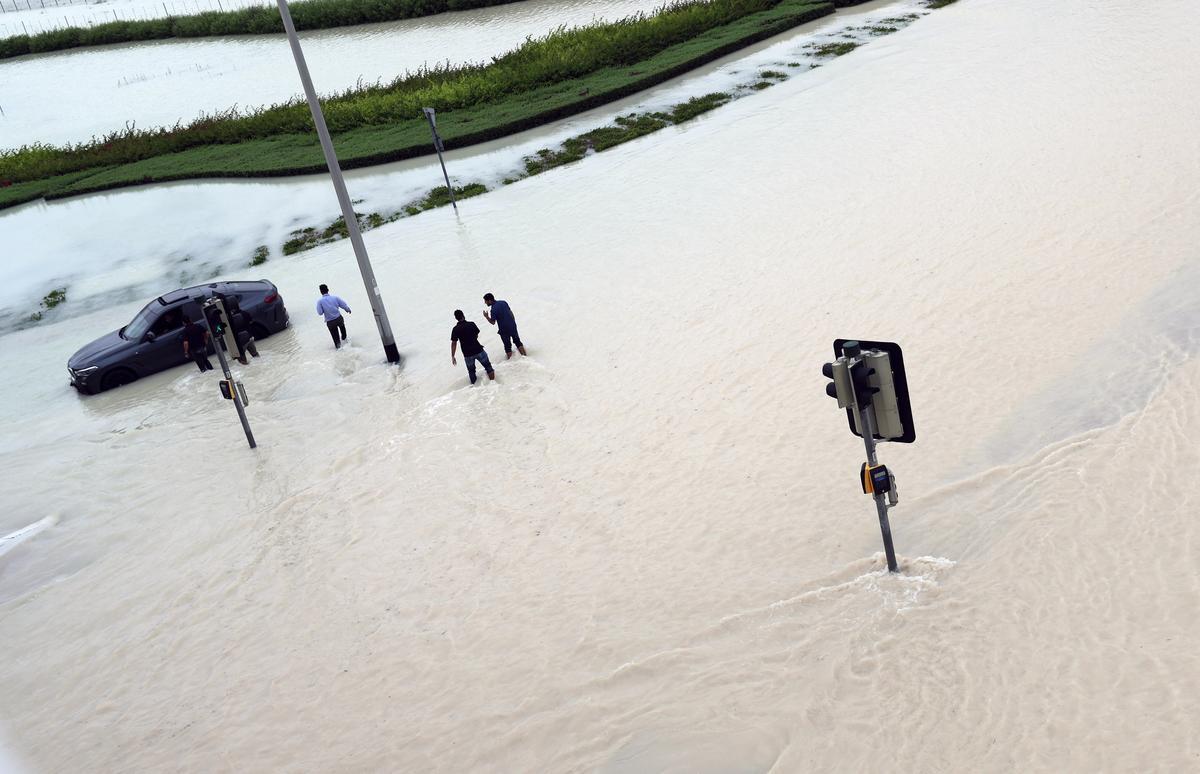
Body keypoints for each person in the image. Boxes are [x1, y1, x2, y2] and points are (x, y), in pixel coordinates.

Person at [450, 309, 494, 384]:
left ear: (456, 318)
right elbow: (476, 335)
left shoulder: (455, 329)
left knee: (471, 371)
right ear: (463, 315)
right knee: (488, 367)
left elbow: (454, 343)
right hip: (478, 349)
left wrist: (453, 356)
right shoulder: (471, 324)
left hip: (467, 354)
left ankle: (475, 388)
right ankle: (493, 382)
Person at [482, 292, 526, 359]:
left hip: (504, 330)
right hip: (512, 326)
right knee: (517, 342)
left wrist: (486, 317)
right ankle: (525, 357)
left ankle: (512, 363)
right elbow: (511, 313)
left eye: (485, 301)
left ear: (489, 300)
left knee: (507, 346)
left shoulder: (493, 309)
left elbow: (493, 322)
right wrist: (513, 323)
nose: (485, 303)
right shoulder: (503, 302)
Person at [316, 284, 351, 349]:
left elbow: (320, 313)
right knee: (343, 333)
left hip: (330, 322)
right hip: (338, 319)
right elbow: (343, 305)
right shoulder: (335, 298)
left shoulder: (320, 302)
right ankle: (347, 344)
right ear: (328, 290)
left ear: (321, 292)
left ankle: (340, 351)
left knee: (336, 341)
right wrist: (348, 310)